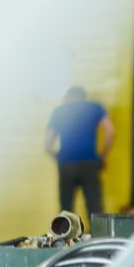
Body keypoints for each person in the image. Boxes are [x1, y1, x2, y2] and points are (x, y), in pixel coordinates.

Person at [45, 85, 113, 219]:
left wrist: (58, 157)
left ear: (67, 98)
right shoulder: (95, 107)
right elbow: (111, 131)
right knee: (95, 208)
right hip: (89, 162)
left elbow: (47, 144)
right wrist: (102, 156)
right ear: (84, 98)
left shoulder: (58, 112)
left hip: (66, 163)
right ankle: (99, 238)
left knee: (66, 209)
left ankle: (65, 238)